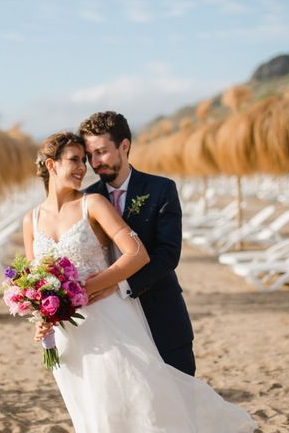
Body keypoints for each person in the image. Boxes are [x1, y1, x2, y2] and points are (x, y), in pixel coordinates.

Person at [23, 130, 256, 433]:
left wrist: (84, 289)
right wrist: (42, 317)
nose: (84, 166)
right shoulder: (31, 219)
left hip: (109, 320)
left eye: (86, 159)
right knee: (89, 408)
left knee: (138, 400)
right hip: (68, 333)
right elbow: (35, 280)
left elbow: (138, 253)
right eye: (75, 160)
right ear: (51, 165)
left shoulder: (92, 203)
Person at [78, 110, 195, 376]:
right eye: (90, 155)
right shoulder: (85, 199)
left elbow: (168, 254)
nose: (95, 163)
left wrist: (119, 284)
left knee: (182, 394)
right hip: (109, 323)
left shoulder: (161, 189)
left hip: (161, 313)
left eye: (102, 152)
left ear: (125, 146)